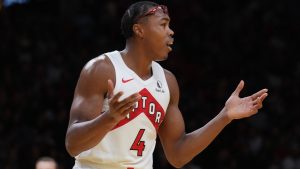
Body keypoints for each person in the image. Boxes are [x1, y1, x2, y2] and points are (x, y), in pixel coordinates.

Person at [65, 1, 268, 169]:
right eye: (163, 25)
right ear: (139, 30)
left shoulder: (168, 81)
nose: (171, 32)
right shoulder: (102, 69)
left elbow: (178, 155)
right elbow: (73, 145)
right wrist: (109, 118)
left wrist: (225, 116)